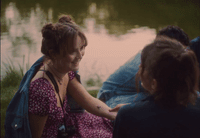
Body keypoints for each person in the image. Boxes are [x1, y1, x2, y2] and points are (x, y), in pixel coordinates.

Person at [5, 15, 116, 138]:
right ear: (54, 53)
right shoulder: (41, 90)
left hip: (67, 124)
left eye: (82, 48)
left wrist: (113, 114)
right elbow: (35, 135)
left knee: (114, 126)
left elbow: (86, 99)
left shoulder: (63, 69)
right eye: (73, 51)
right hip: (56, 134)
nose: (80, 55)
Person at [113, 36, 200, 138]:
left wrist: (131, 110)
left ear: (154, 83)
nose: (139, 68)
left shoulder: (127, 115)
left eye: (143, 66)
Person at [97, 25, 200, 108]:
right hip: (112, 98)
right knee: (170, 96)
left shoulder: (178, 56)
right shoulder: (151, 59)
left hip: (142, 91)